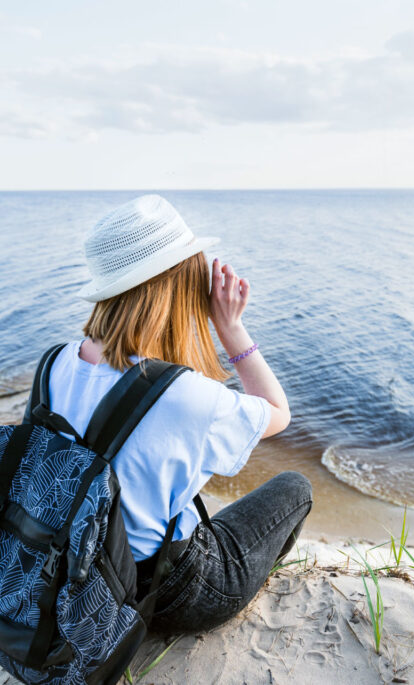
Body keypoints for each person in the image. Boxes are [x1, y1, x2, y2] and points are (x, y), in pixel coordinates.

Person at [43, 194, 313, 634]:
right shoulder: (183, 395)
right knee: (294, 488)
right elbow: (279, 412)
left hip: (76, 569)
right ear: (179, 287)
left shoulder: (54, 364)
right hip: (167, 595)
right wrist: (231, 328)